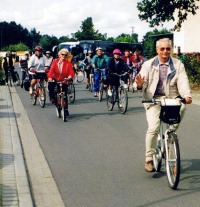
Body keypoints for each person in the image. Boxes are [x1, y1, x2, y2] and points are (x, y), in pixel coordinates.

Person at [135, 38, 192, 172]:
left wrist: (186, 95)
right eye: (162, 49)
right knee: (153, 128)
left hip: (172, 98)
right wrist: (139, 85)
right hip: (153, 100)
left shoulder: (178, 65)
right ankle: (149, 158)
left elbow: (183, 81)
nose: (165, 51)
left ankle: (170, 136)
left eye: (168, 49)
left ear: (171, 50)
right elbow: (141, 81)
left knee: (182, 108)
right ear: (157, 50)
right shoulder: (148, 65)